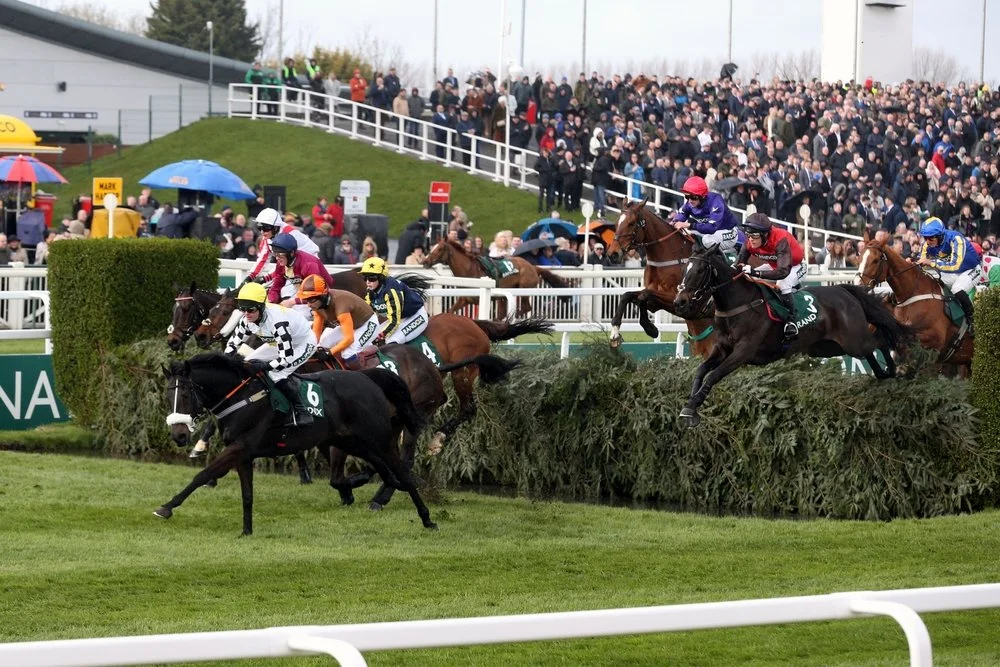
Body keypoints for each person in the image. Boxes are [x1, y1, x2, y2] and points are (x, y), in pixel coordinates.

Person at [217, 282, 317, 436]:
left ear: (261, 306)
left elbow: (286, 358)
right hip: (277, 343)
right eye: (243, 309)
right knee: (249, 362)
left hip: (303, 343)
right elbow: (233, 343)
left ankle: (303, 411)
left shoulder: (277, 323)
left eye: (251, 309)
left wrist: (264, 366)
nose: (246, 314)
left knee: (277, 373)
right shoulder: (247, 319)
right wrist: (225, 360)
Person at [735, 213, 808, 338]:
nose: (750, 239)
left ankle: (791, 321)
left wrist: (756, 272)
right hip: (775, 266)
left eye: (754, 235)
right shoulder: (749, 242)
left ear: (765, 235)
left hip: (795, 266)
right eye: (748, 235)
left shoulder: (781, 239)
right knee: (747, 278)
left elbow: (783, 272)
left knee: (783, 284)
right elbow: (739, 264)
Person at [297, 274, 380, 370]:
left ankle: (365, 374)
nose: (309, 305)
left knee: (348, 353)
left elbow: (349, 339)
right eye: (306, 300)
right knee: (323, 345)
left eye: (311, 299)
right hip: (351, 325)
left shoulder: (340, 306)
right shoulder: (317, 306)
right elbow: (316, 334)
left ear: (323, 296)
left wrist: (329, 353)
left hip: (368, 323)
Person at [915, 217, 981, 330]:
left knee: (957, 288)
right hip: (952, 272)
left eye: (931, 238)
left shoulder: (956, 239)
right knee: (934, 282)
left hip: (971, 269)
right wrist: (911, 262)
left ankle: (973, 321)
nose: (927, 241)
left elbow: (955, 265)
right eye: (925, 238)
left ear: (940, 235)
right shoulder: (927, 244)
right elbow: (920, 260)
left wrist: (931, 262)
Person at [359, 257, 429, 345]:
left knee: (390, 342)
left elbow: (394, 320)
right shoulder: (370, 291)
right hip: (400, 318)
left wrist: (382, 334)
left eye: (371, 278)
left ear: (381, 277)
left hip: (416, 316)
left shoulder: (391, 291)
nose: (368, 282)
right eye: (365, 278)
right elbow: (367, 314)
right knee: (369, 340)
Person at [266, 233, 334, 319]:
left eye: (280, 255)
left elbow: (316, 295)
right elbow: (277, 286)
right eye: (275, 254)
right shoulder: (281, 263)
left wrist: (293, 302)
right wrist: (270, 301)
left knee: (301, 315)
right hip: (303, 291)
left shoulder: (308, 265)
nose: (277, 258)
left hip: (321, 295)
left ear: (291, 253)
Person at [244, 207, 320, 284]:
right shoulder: (268, 235)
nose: (262, 232)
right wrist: (250, 277)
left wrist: (265, 278)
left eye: (265, 228)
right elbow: (263, 259)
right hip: (292, 266)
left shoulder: (288, 237)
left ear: (276, 227)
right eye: (259, 227)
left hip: (308, 265)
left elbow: (285, 265)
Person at [671, 176, 741, 252]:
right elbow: (683, 214)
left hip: (728, 233)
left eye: (693, 197)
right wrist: (674, 222)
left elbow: (711, 228)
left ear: (703, 196)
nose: (690, 201)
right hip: (710, 232)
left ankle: (721, 258)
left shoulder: (716, 201)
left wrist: (689, 225)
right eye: (687, 196)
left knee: (707, 240)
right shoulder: (691, 203)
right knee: (686, 235)